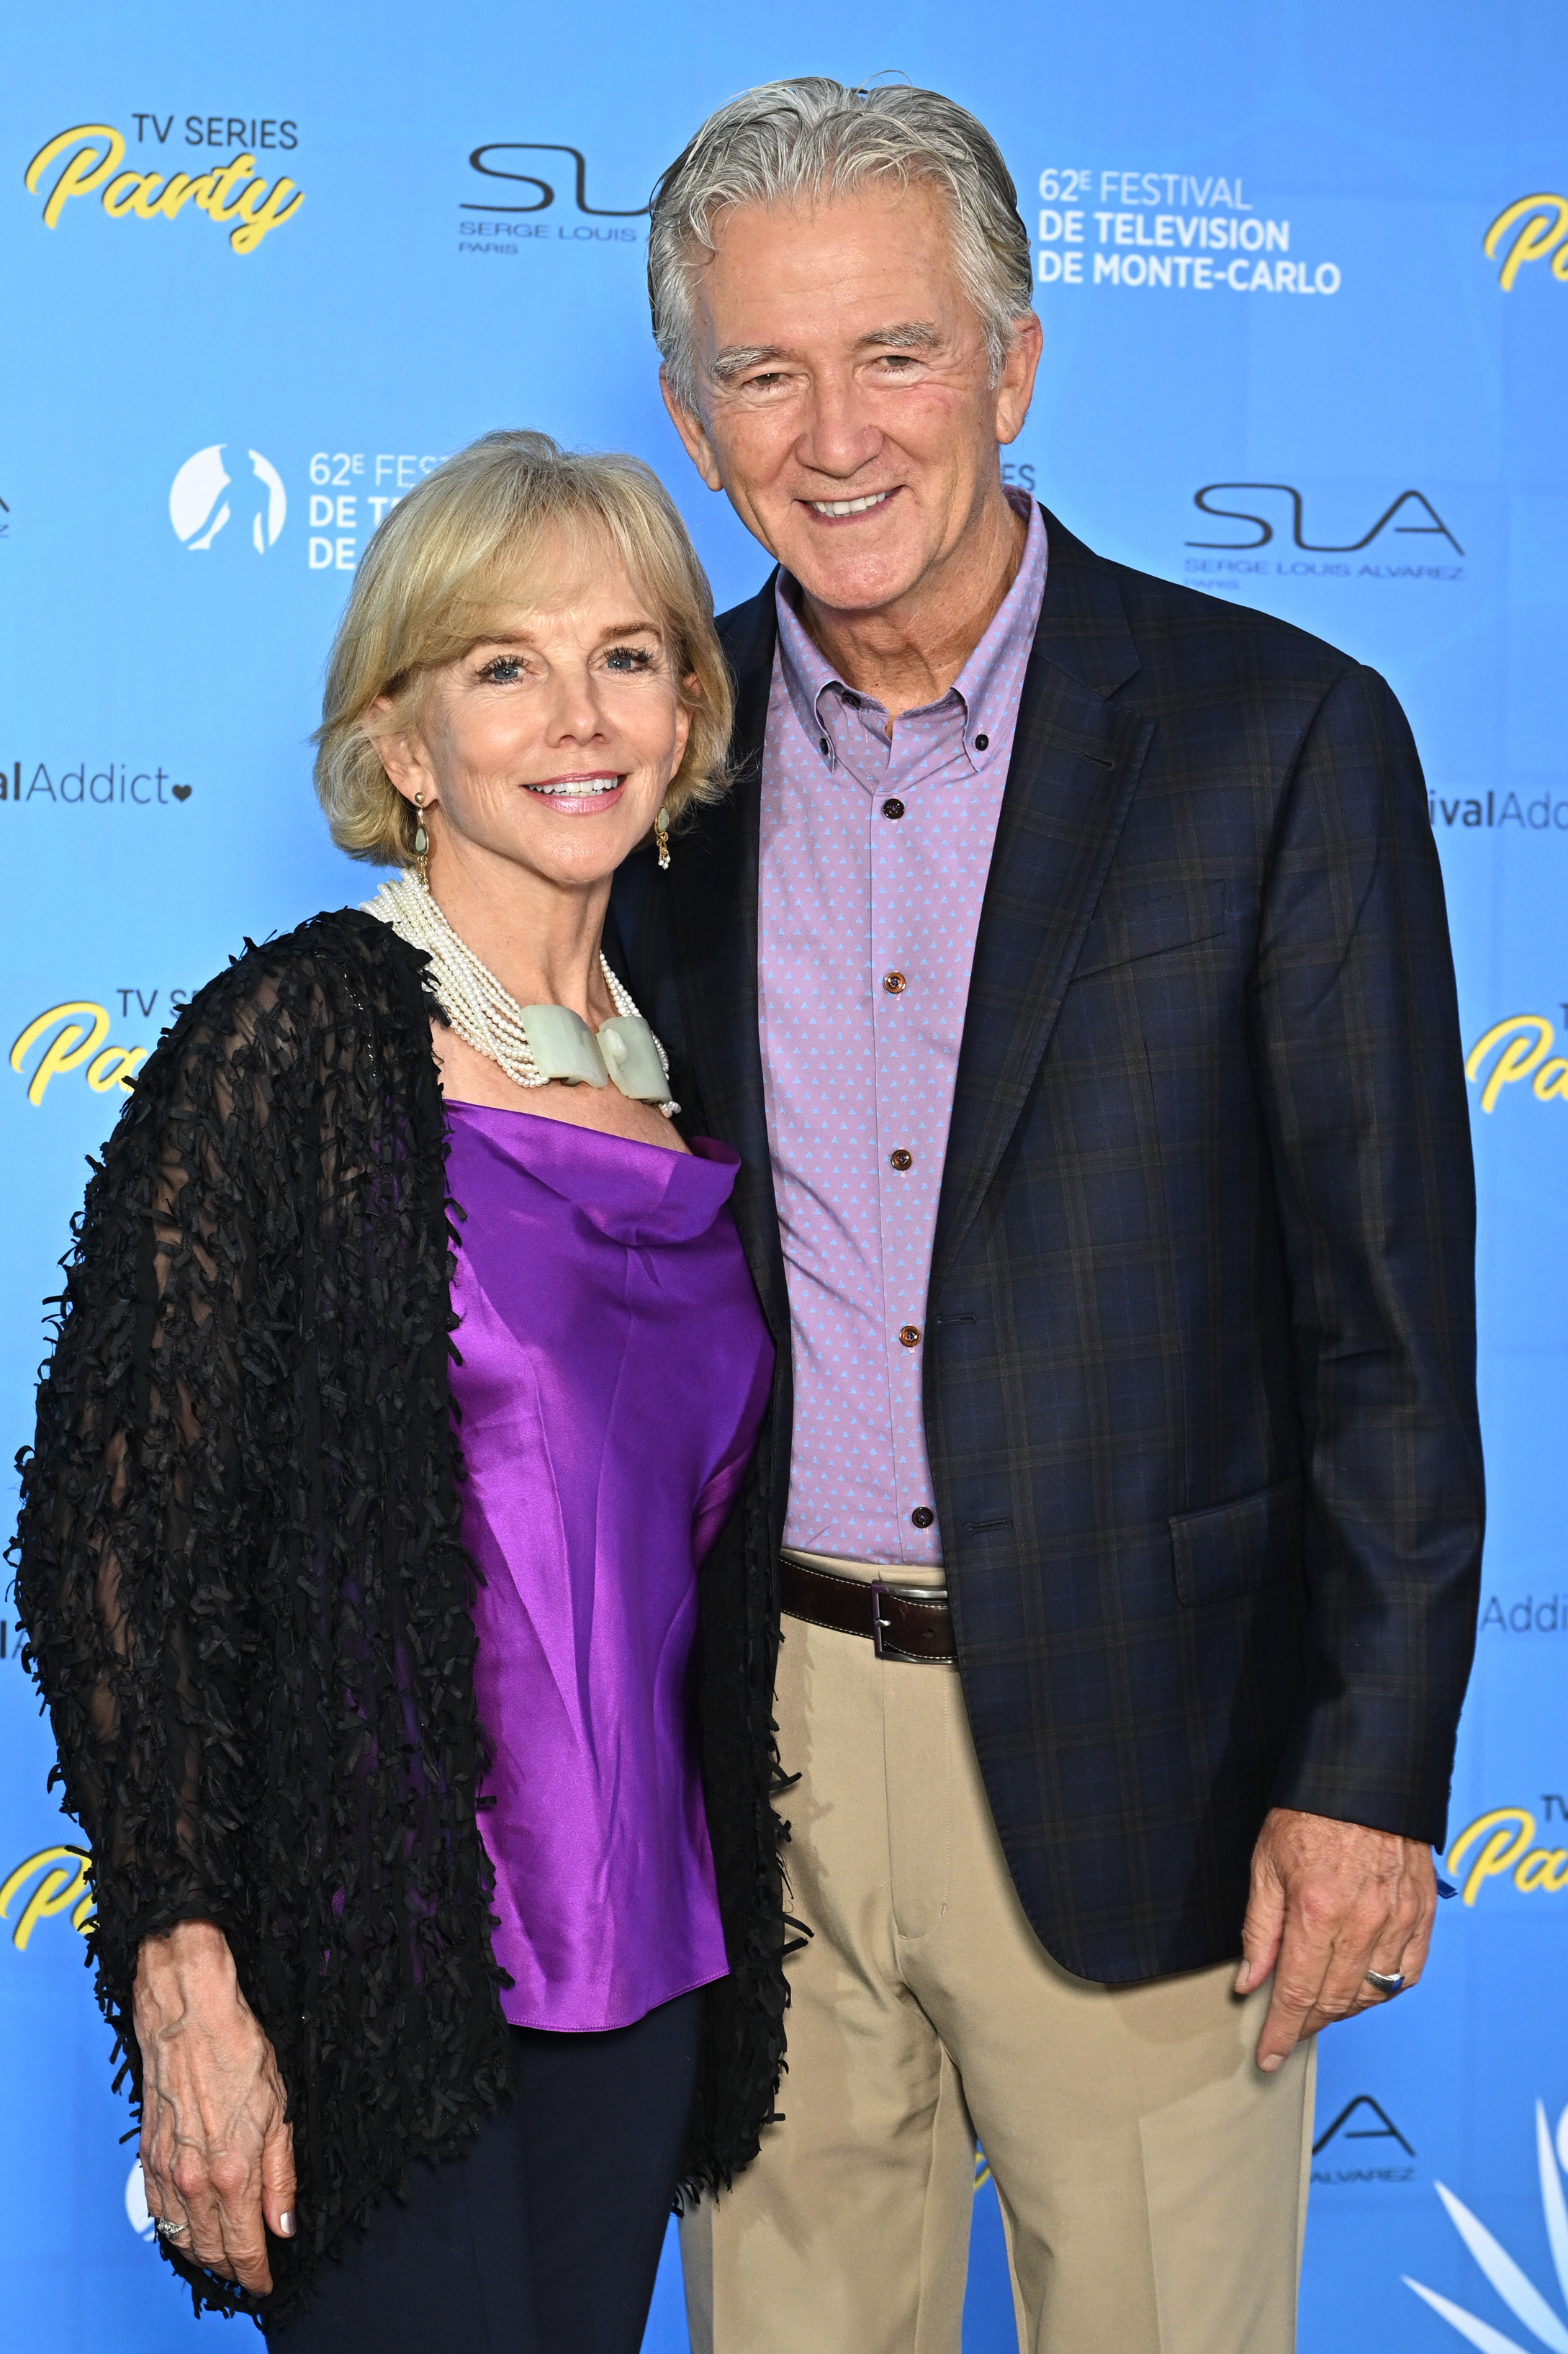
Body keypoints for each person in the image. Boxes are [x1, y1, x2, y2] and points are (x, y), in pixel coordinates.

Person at [606, 78, 1484, 2354]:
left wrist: (1367, 1781)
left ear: (1009, 364)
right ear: (694, 422)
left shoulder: (1276, 740)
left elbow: (1388, 1326)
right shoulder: (643, 764)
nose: (833, 433)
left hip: (1164, 1770)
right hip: (759, 1772)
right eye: (761, 372)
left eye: (893, 352)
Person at [13, 430, 790, 2353]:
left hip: (652, 1977)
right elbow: (119, 1539)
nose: (579, 710)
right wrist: (186, 1971)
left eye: (628, 653)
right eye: (503, 663)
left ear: (689, 711)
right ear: (405, 741)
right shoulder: (297, 1042)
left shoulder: (691, 1080)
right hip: (385, 1973)